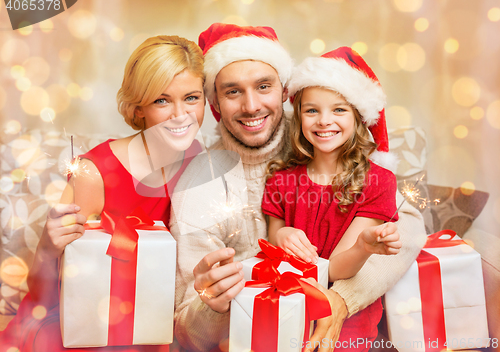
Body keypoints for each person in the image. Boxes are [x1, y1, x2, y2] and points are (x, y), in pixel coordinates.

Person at [170, 23, 426, 352]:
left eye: (264, 86)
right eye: (233, 91)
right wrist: (211, 304)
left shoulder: (323, 136)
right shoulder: (199, 185)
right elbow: (188, 332)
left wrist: (342, 299)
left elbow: (408, 224)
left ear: (283, 89)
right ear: (215, 102)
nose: (251, 106)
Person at [0, 35, 205, 352]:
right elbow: (41, 292)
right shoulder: (96, 174)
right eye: (162, 101)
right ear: (139, 109)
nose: (181, 115)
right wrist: (46, 248)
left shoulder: (197, 161)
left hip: (146, 324)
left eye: (191, 98)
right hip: (76, 326)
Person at [262, 47, 402, 351]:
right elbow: (274, 240)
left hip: (346, 325)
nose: (324, 121)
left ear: (358, 117)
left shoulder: (377, 181)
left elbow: (335, 269)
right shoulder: (281, 179)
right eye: (312, 110)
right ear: (299, 117)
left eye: (339, 110)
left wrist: (365, 247)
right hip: (285, 310)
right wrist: (283, 233)